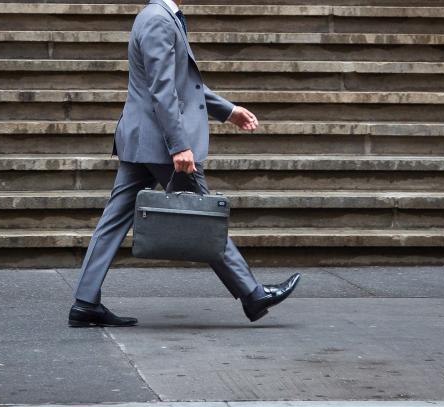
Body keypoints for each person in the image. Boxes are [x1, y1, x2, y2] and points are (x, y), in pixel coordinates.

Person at [68, 0, 301, 327]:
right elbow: (163, 89)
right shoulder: (159, 21)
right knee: (204, 216)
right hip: (160, 143)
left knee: (113, 221)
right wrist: (179, 145)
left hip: (143, 139)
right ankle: (252, 293)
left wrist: (228, 111)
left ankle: (85, 301)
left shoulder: (160, 17)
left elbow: (183, 86)